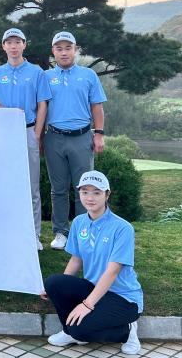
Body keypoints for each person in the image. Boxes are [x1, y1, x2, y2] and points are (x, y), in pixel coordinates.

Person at [43, 170, 142, 355]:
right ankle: (69, 332)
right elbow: (76, 258)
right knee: (54, 283)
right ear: (79, 193)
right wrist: (58, 289)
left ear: (107, 195)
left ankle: (127, 330)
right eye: (85, 192)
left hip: (123, 298)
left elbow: (112, 271)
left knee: (81, 330)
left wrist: (87, 304)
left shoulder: (123, 228)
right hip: (94, 288)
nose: (90, 197)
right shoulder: (79, 222)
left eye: (97, 192)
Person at [0, 28, 51, 250]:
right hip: (4, 134)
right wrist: (7, 112)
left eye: (17, 42)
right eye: (9, 42)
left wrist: (37, 134)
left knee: (31, 186)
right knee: (4, 183)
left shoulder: (36, 72)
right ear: (3, 46)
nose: (13, 46)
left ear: (24, 45)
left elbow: (42, 104)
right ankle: (6, 231)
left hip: (28, 131)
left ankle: (33, 234)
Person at [44, 31, 107, 250]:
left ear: (75, 50)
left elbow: (97, 106)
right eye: (59, 48)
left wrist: (99, 133)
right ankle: (61, 232)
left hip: (81, 136)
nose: (64, 52)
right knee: (58, 188)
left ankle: (83, 232)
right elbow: (41, 107)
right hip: (54, 137)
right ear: (53, 52)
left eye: (68, 48)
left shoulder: (88, 75)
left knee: (85, 188)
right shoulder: (46, 77)